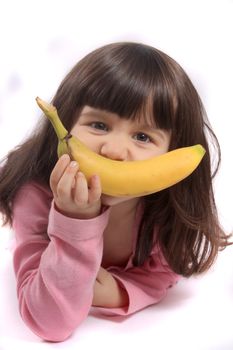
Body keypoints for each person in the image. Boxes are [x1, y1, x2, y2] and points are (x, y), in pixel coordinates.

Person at [0, 42, 230, 342]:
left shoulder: (164, 208)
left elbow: (161, 274)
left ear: (172, 153)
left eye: (143, 136)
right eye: (98, 125)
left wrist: (121, 292)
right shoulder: (36, 195)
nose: (114, 151)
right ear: (66, 125)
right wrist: (74, 221)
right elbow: (50, 323)